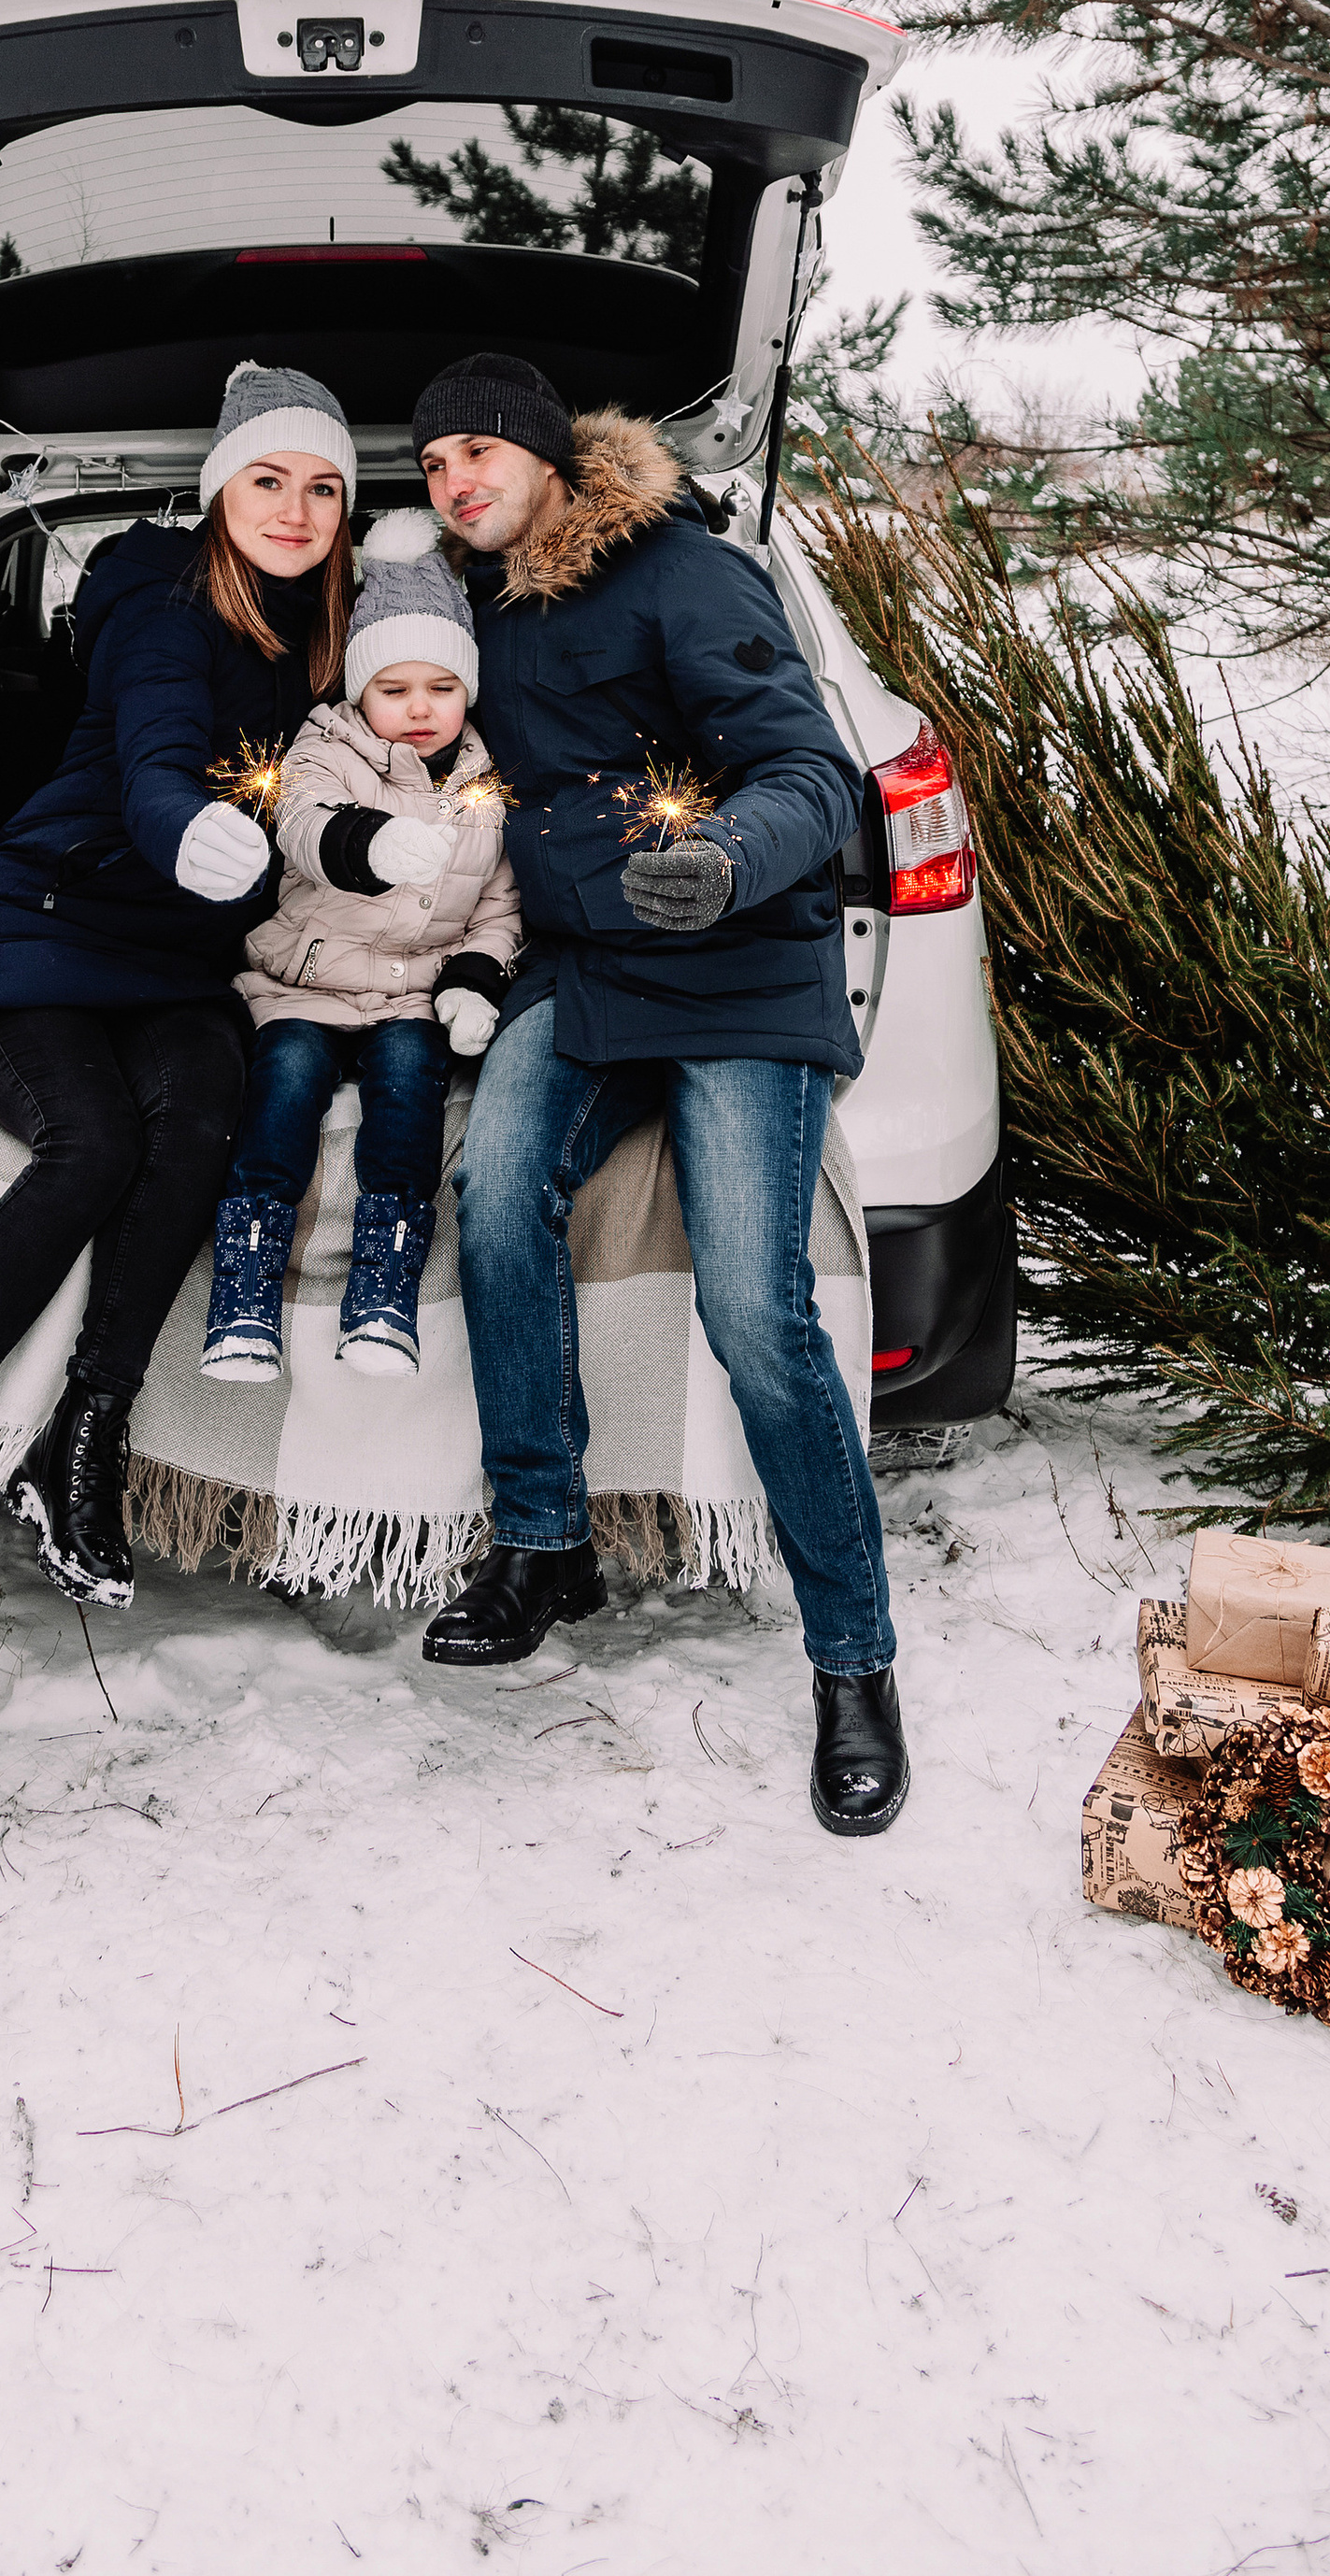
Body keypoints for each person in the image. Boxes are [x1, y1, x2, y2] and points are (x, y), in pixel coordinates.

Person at [409, 350, 908, 1840]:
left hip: (737, 966)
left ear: (550, 457)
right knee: (497, 1190)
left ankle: (854, 1661)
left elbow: (813, 774)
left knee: (755, 1308)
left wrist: (725, 858)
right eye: (433, 465)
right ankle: (544, 1542)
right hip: (587, 972)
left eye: (480, 451)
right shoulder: (471, 612)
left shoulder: (687, 574)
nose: (456, 481)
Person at [0, 362, 357, 1654]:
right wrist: (184, 829)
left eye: (323, 488)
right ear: (220, 489)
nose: (294, 510)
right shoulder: (163, 602)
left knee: (204, 1114)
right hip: (42, 932)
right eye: (268, 479)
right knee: (93, 1143)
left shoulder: (335, 640)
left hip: (178, 963)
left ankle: (86, 1435)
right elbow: (154, 749)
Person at [199, 508, 523, 1384]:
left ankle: (383, 1293)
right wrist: (369, 844)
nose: (419, 709)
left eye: (441, 688)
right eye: (394, 688)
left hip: (415, 992)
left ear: (468, 691)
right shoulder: (326, 747)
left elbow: (500, 907)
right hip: (306, 983)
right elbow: (303, 825)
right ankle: (244, 1295)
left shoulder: (486, 785)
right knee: (285, 1085)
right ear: (359, 692)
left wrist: (472, 982)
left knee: (410, 1094)